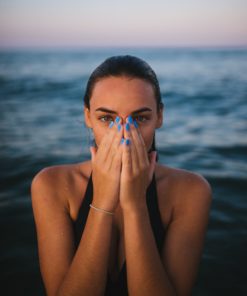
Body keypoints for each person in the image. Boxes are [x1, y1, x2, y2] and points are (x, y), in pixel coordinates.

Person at [31, 55, 212, 296]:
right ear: (87, 117)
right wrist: (103, 202)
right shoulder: (51, 185)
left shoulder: (191, 191)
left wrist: (135, 205)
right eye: (107, 118)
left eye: (140, 118)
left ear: (159, 116)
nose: (125, 135)